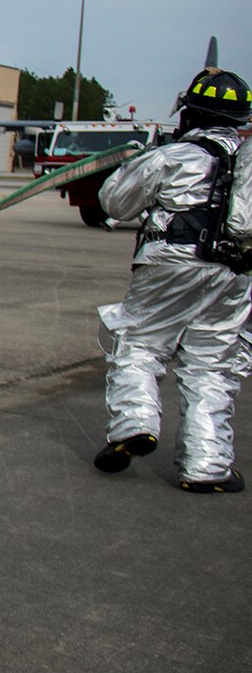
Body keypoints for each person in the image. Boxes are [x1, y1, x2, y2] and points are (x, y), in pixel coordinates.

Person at [93, 66, 251, 492]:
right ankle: (207, 466)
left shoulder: (174, 156)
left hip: (171, 264)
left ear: (190, 112)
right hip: (235, 274)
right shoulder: (249, 164)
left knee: (141, 343)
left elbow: (115, 202)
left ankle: (134, 423)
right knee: (213, 368)